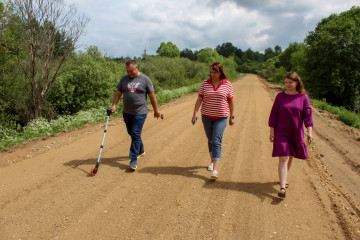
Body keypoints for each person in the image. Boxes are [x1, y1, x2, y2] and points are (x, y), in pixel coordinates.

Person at [268, 72, 314, 198]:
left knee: (290, 157)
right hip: (281, 131)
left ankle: (284, 177)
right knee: (283, 158)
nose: (287, 85)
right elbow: (273, 115)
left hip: (296, 133)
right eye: (286, 82)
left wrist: (309, 132)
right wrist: (272, 131)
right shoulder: (280, 96)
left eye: (290, 82)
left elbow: (307, 116)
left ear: (297, 82)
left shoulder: (303, 97)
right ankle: (282, 187)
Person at [111, 60, 161, 171]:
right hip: (127, 113)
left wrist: (156, 111)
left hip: (140, 113)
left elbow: (152, 97)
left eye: (131, 71)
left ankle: (133, 159)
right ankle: (141, 150)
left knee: (135, 133)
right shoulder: (124, 79)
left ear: (137, 67)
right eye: (127, 71)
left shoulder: (145, 79)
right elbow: (118, 93)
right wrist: (114, 105)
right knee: (132, 133)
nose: (129, 73)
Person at [192, 62, 235, 180]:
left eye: (214, 72)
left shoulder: (228, 85)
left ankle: (215, 170)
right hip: (206, 116)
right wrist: (195, 113)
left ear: (220, 72)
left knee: (216, 140)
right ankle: (212, 161)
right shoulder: (205, 84)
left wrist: (232, 116)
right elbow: (199, 99)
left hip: (221, 117)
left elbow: (231, 102)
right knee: (210, 140)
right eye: (211, 72)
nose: (212, 75)